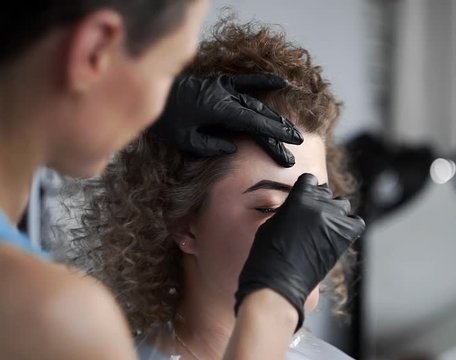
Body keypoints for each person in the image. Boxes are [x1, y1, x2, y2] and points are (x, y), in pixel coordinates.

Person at [0, 1, 364, 359]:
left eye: (317, 206)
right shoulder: (51, 315)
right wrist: (274, 302)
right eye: (168, 70)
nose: (308, 232)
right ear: (184, 224)